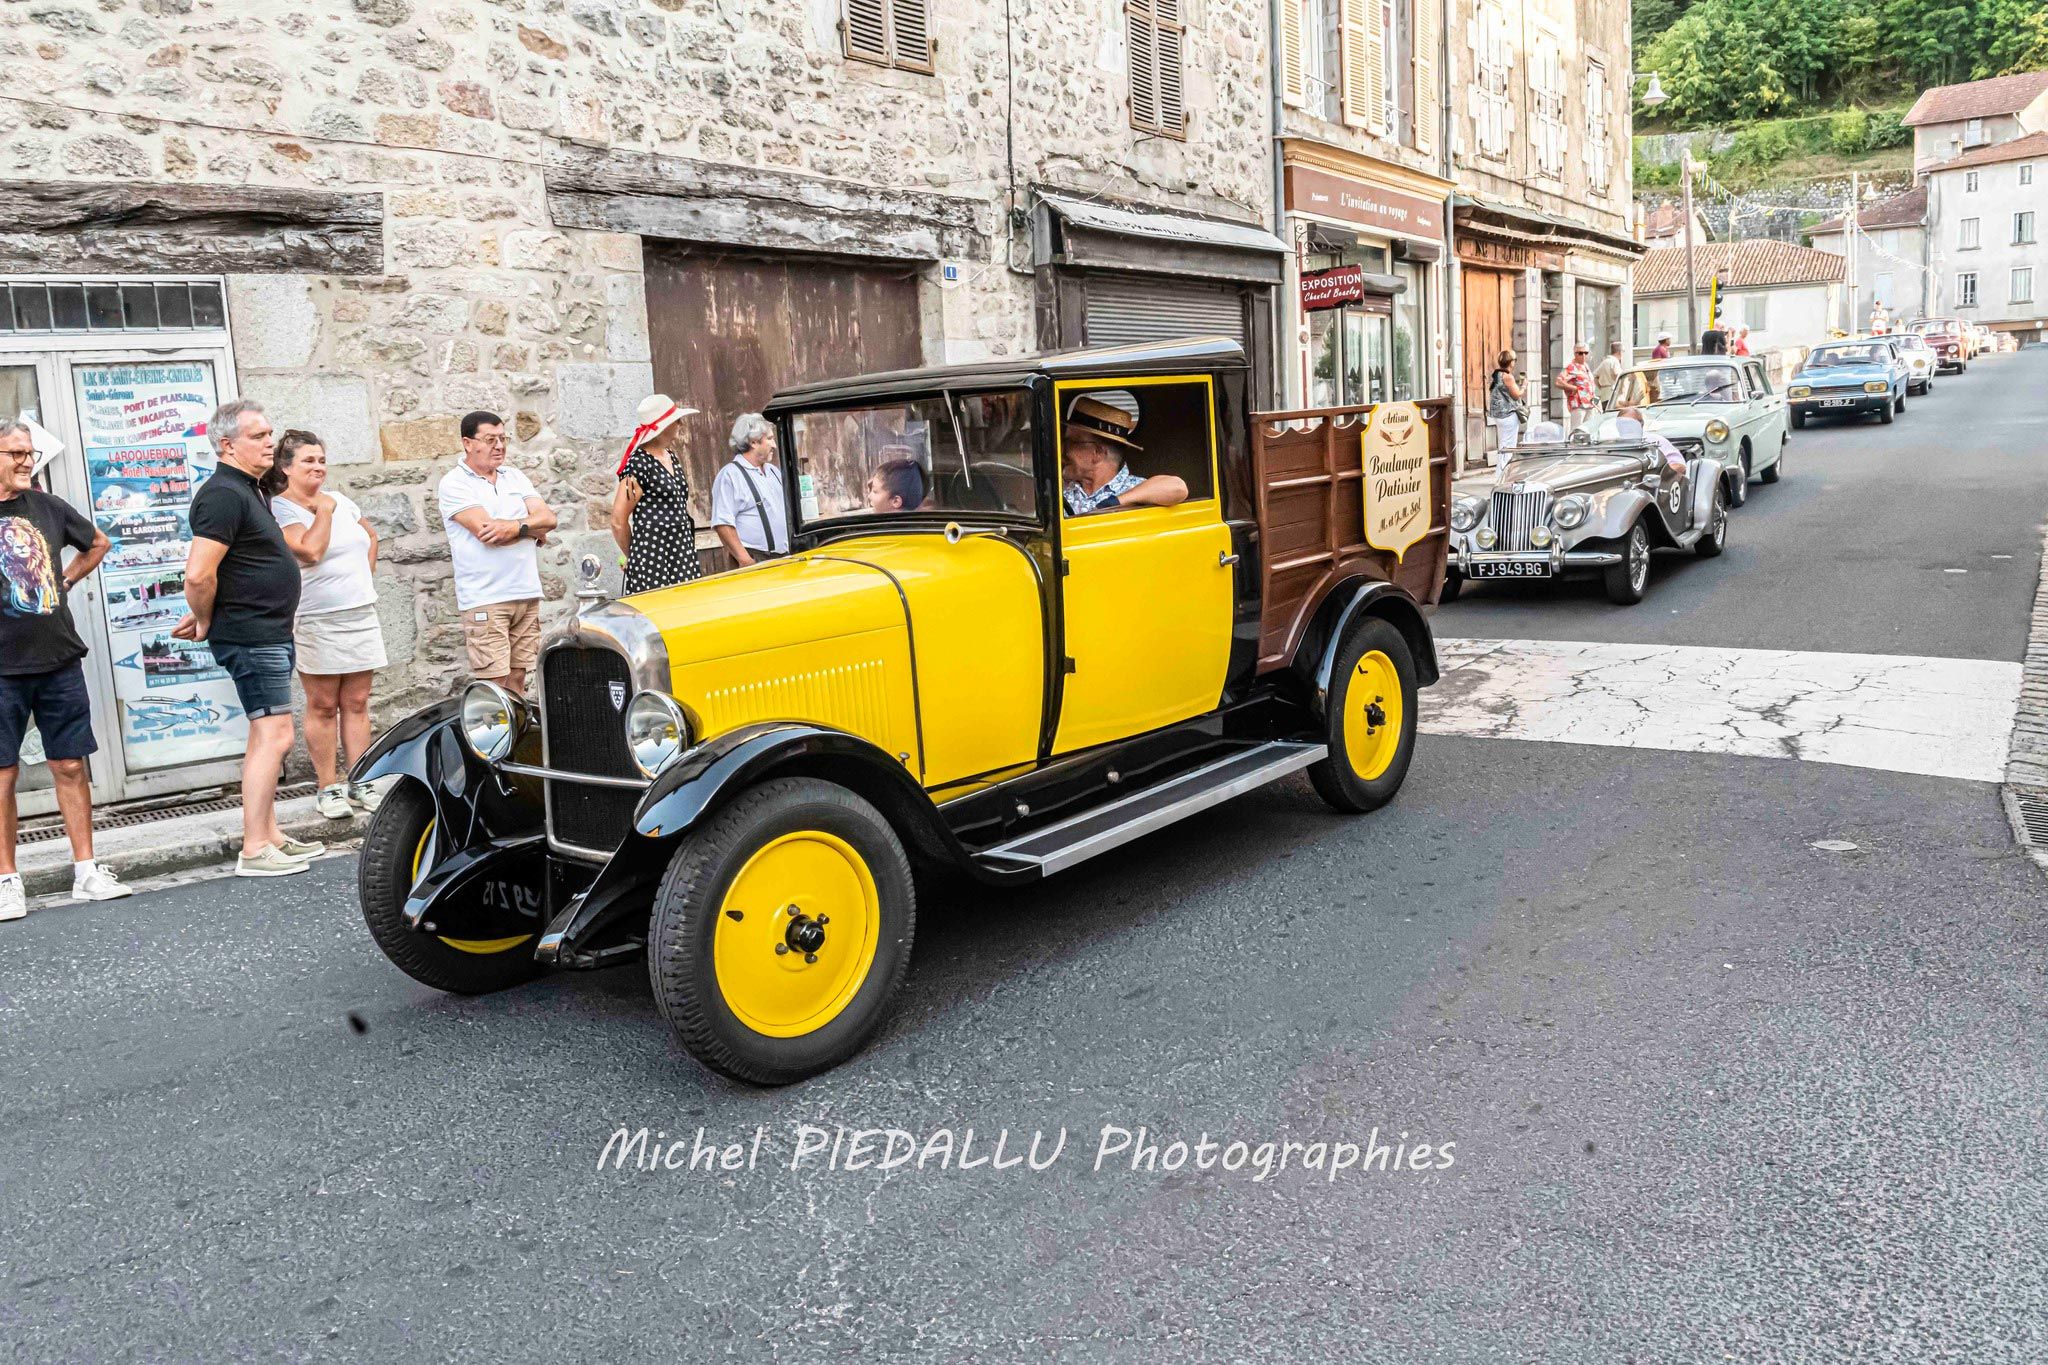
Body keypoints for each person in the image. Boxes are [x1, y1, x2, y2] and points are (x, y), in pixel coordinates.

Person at [174, 399, 326, 878]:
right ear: (227, 444)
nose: (269, 443)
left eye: (268, 433)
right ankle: (255, 848)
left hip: (266, 629)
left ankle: (271, 834)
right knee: (274, 734)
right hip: (252, 634)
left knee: (268, 735)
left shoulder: (247, 489)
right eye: (258, 436)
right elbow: (199, 575)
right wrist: (203, 619)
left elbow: (232, 567)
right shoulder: (222, 494)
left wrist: (205, 614)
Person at [0, 418, 128, 918]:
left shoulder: (47, 507)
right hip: (2, 669)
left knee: (71, 764)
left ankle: (87, 871)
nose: (27, 461)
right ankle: (7, 880)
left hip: (57, 658)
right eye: (15, 453)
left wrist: (67, 580)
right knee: (3, 774)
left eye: (29, 453)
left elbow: (98, 543)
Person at [268, 429, 387, 821]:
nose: (318, 467)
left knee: (356, 701)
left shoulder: (342, 500)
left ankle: (360, 779)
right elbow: (310, 550)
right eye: (308, 461)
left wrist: (362, 580)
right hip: (316, 617)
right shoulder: (281, 509)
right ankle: (327, 786)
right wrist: (323, 510)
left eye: (321, 460)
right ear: (286, 468)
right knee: (322, 705)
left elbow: (370, 535)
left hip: (358, 612)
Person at [437, 411, 557, 695]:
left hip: (525, 593)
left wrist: (513, 527)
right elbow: (490, 534)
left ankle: (518, 741)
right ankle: (497, 740)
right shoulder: (454, 483)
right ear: (468, 443)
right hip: (486, 598)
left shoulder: (514, 476)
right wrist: (530, 530)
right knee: (494, 688)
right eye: (490, 439)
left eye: (503, 438)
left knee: (518, 682)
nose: (500, 446)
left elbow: (549, 519)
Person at [611, 393, 703, 595]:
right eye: (675, 420)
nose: (680, 423)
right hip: (654, 558)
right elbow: (618, 521)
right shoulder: (639, 463)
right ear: (664, 426)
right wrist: (636, 557)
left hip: (681, 552)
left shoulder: (671, 456)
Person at [1060, 396, 1188, 515]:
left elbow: (1178, 487)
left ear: (1098, 453)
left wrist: (1116, 502)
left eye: (1070, 442)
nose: (1062, 450)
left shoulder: (1136, 488)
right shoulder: (1063, 486)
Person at [709, 413, 788, 567]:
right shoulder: (730, 475)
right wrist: (745, 560)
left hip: (783, 558)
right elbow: (723, 523)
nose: (774, 445)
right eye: (770, 439)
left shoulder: (773, 471)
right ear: (753, 442)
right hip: (755, 559)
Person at [1486, 350, 1526, 458]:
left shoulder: (1497, 374)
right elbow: (1516, 395)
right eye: (1515, 360)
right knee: (1508, 446)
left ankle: (1501, 471)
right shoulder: (1508, 377)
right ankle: (1504, 471)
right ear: (1511, 362)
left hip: (1499, 415)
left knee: (1503, 444)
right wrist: (1524, 386)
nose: (1515, 363)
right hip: (1508, 414)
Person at [1561, 344, 1598, 433]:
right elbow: (1559, 381)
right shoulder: (1571, 367)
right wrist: (1574, 388)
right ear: (1575, 354)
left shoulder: (1586, 366)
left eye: (1586, 353)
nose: (1583, 355)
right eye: (1580, 353)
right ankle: (1573, 446)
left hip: (1590, 403)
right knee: (1576, 429)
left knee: (1588, 430)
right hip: (1578, 403)